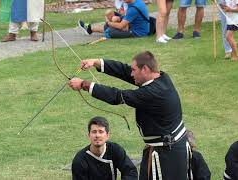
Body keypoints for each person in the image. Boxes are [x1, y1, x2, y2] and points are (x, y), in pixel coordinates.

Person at [69, 51, 189, 180]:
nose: (131, 74)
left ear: (145, 69)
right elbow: (124, 71)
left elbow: (117, 96)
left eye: (134, 70)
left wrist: (84, 84)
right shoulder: (161, 78)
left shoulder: (153, 93)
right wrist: (96, 62)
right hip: (164, 147)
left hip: (168, 153)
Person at [71, 116, 138, 180]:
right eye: (94, 132)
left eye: (101, 131)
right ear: (89, 135)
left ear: (107, 135)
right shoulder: (80, 160)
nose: (97, 135)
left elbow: (130, 171)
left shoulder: (115, 150)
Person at [78, 0, 149, 39]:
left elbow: (121, 26)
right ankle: (90, 29)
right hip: (134, 25)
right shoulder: (137, 2)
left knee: (109, 31)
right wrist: (119, 17)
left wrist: (108, 22)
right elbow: (129, 16)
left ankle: (90, 29)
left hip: (138, 32)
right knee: (113, 16)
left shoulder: (133, 8)